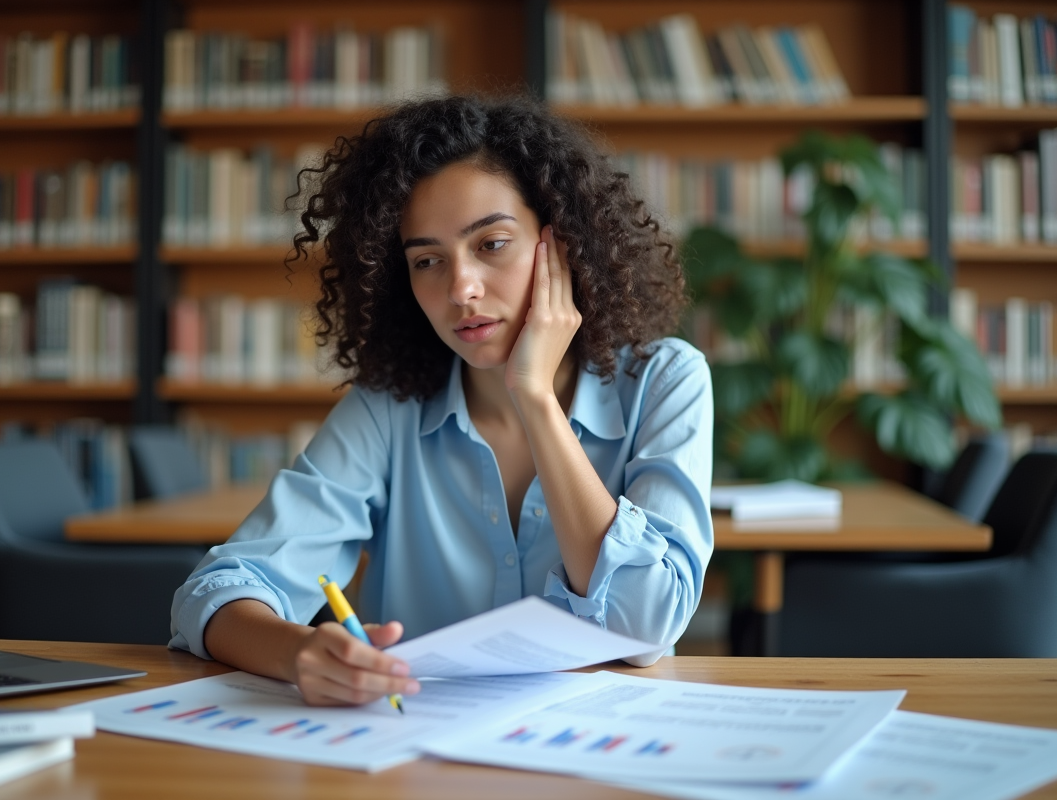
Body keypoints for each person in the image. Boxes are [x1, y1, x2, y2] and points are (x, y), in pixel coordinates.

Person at [169, 95, 714, 708]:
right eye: (427, 260)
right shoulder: (388, 408)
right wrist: (300, 654)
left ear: (561, 243)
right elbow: (213, 592)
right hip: (414, 753)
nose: (461, 289)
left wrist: (534, 397)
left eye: (491, 244)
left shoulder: (665, 380)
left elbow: (646, 626)